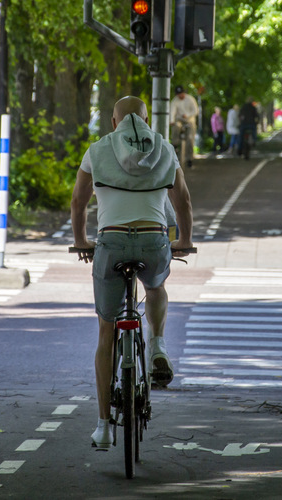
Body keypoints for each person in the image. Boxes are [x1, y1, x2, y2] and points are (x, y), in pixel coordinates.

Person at [70, 96, 194, 449]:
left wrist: (82, 242)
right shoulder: (165, 149)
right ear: (146, 119)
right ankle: (156, 345)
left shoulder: (97, 151)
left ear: (114, 122)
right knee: (155, 286)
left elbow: (79, 201)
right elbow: (182, 201)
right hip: (154, 241)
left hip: (110, 245)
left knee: (106, 332)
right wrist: (183, 240)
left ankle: (104, 427)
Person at [169, 85, 199, 167]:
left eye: (181, 93)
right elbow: (172, 111)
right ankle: (175, 144)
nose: (180, 95)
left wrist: (188, 115)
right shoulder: (175, 101)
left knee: (190, 138)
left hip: (190, 120)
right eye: (178, 94)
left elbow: (196, 111)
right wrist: (171, 121)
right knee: (176, 126)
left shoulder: (190, 99)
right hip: (179, 120)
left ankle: (189, 159)